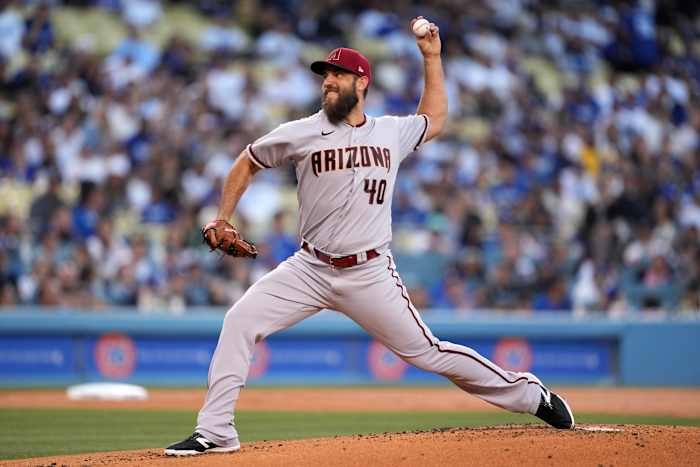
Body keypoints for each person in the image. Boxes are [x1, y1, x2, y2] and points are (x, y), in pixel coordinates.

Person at [165, 17, 574, 457]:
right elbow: (247, 160)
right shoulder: (300, 132)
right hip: (310, 267)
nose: (328, 82)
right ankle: (217, 431)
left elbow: (433, 118)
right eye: (325, 76)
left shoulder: (389, 132)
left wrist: (432, 58)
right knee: (239, 321)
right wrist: (223, 216)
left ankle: (531, 395)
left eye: (338, 75)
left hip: (370, 271)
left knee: (428, 352)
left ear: (362, 82)